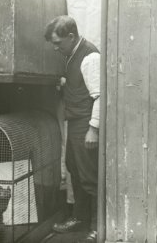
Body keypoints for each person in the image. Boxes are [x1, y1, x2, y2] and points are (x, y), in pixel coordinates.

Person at [44, 15, 100, 243]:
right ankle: (80, 217)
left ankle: (98, 226)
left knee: (90, 176)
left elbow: (99, 96)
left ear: (71, 36)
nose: (56, 48)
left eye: (58, 43)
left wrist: (93, 129)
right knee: (74, 170)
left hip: (85, 125)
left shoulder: (90, 57)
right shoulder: (72, 55)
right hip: (75, 122)